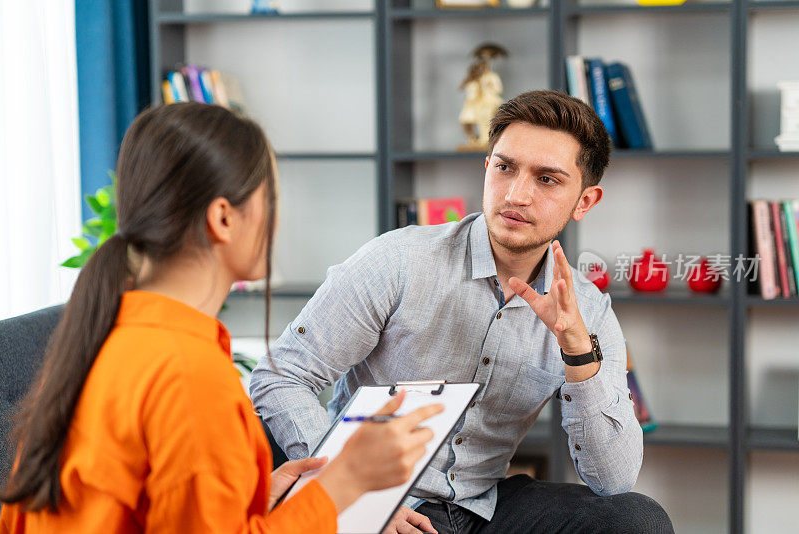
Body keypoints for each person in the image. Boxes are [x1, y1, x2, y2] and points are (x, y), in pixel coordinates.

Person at [0, 103, 442, 533]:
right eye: (269, 198)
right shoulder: (189, 375)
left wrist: (252, 503)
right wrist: (345, 481)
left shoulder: (103, 336)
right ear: (224, 218)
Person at [250, 90, 675, 533]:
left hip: (480, 507)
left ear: (584, 201)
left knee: (637, 520)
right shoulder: (398, 261)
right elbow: (281, 376)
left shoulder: (587, 309)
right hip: (372, 494)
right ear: (487, 167)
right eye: (505, 167)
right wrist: (352, 494)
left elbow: (614, 479)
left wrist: (576, 350)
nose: (516, 194)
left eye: (547, 179)